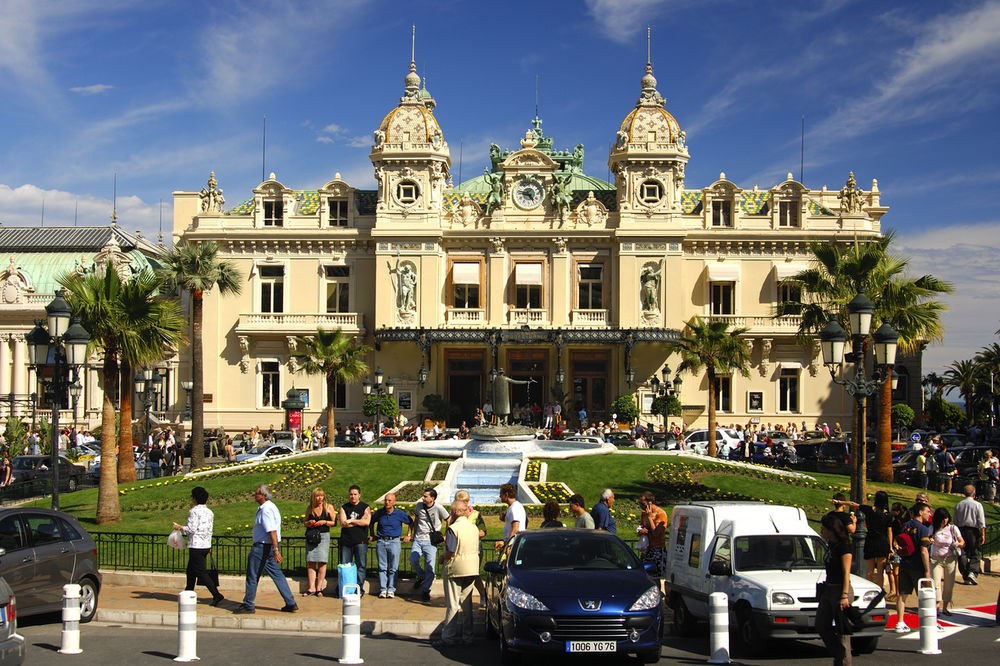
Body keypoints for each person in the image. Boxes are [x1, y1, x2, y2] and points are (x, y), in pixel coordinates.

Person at [234, 484, 298, 614]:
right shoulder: (271, 507)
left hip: (262, 547)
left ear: (263, 495)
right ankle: (290, 602)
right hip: (267, 547)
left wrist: (275, 550)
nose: (255, 495)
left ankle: (248, 604)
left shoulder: (265, 510)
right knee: (277, 575)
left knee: (252, 575)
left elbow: (272, 531)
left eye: (257, 493)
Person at [435, 497, 480, 646]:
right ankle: (468, 637)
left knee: (453, 605)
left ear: (454, 512)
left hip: (456, 569)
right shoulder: (473, 528)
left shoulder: (453, 529)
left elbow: (451, 551)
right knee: (467, 605)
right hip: (471, 568)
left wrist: (442, 558)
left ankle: (448, 637)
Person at [172, 486, 224, 606]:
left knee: (201, 572)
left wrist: (179, 527)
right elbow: (209, 529)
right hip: (205, 544)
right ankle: (188, 592)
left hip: (196, 545)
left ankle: (216, 594)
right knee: (191, 570)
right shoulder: (210, 512)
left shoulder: (194, 511)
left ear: (194, 499)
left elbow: (191, 529)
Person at [817, 511, 853, 666]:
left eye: (823, 528)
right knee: (821, 624)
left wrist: (844, 596)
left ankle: (844, 662)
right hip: (828, 589)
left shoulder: (844, 547)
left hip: (841, 591)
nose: (821, 531)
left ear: (832, 530)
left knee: (843, 633)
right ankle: (839, 656)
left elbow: (846, 573)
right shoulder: (830, 544)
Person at [835, 491, 891, 590]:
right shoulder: (888, 515)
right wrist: (890, 546)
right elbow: (889, 531)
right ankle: (879, 591)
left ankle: (870, 590)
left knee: (869, 570)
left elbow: (853, 504)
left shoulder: (869, 510)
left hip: (870, 540)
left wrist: (839, 501)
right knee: (879, 571)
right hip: (882, 542)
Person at [893, 502, 933, 632]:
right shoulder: (923, 529)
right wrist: (927, 570)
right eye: (927, 511)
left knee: (902, 594)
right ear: (920, 512)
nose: (929, 514)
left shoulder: (905, 526)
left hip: (904, 564)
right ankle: (929, 622)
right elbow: (923, 551)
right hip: (918, 566)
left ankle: (900, 622)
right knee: (925, 595)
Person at [409, 487, 449, 601]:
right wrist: (413, 533)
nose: (423, 498)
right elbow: (416, 519)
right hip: (418, 538)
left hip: (430, 540)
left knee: (430, 566)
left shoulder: (439, 507)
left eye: (425, 496)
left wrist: (445, 535)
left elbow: (448, 519)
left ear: (432, 498)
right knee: (413, 560)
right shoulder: (419, 506)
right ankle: (422, 576)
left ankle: (426, 590)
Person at [370, 492, 412, 598]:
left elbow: (411, 522)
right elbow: (371, 522)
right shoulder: (380, 513)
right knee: (382, 567)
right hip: (381, 541)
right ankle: (383, 589)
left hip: (394, 541)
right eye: (386, 500)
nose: (387, 502)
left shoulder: (399, 514)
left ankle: (391, 589)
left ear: (394, 502)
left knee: (393, 567)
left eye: (389, 500)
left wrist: (408, 535)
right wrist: (372, 534)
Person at [449, 489, 487, 606]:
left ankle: (482, 594)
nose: (462, 504)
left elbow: (483, 531)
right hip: (459, 547)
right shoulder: (453, 516)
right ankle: (461, 600)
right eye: (459, 501)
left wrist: (471, 533)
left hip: (473, 548)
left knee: (473, 574)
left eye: (464, 501)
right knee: (460, 573)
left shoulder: (475, 514)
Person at [930, 507, 964, 615]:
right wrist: (930, 540)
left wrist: (958, 544)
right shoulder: (933, 528)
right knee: (936, 583)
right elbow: (925, 538)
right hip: (936, 559)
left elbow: (962, 541)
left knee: (949, 585)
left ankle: (945, 607)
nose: (945, 521)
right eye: (942, 519)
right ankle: (937, 606)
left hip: (950, 559)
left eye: (946, 518)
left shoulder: (953, 528)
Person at [338, 485, 371, 597]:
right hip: (346, 541)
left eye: (355, 494)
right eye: (351, 494)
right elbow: (343, 524)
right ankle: (345, 587)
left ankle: (359, 588)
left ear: (359, 495)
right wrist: (359, 521)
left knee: (361, 565)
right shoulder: (344, 507)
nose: (353, 496)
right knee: (345, 565)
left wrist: (351, 520)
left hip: (360, 541)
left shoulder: (365, 507)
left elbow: (366, 522)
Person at [303, 487, 336, 596]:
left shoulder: (328, 507)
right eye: (317, 496)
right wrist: (310, 522)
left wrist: (324, 522)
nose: (319, 498)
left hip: (323, 535)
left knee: (322, 561)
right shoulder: (310, 508)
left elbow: (334, 522)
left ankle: (319, 587)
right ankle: (311, 587)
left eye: (321, 496)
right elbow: (305, 522)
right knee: (311, 561)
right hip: (312, 536)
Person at [954, 484, 986, 585]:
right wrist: (983, 534)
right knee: (975, 552)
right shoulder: (977, 505)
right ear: (974, 494)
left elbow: (955, 520)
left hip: (961, 531)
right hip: (973, 531)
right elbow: (981, 521)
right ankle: (972, 571)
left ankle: (965, 573)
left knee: (962, 552)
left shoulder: (959, 505)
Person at [638, 491, 668, 578]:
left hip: (657, 549)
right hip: (647, 548)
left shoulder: (660, 513)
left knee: (655, 577)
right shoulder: (644, 514)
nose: (641, 506)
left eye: (642, 504)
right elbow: (643, 526)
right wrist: (641, 531)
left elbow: (656, 533)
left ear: (650, 503)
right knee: (644, 575)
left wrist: (650, 518)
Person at [495, 482, 525, 552]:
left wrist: (507, 546)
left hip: (514, 546)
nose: (499, 496)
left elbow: (515, 529)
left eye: (501, 494)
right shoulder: (514, 507)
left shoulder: (514, 508)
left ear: (506, 495)